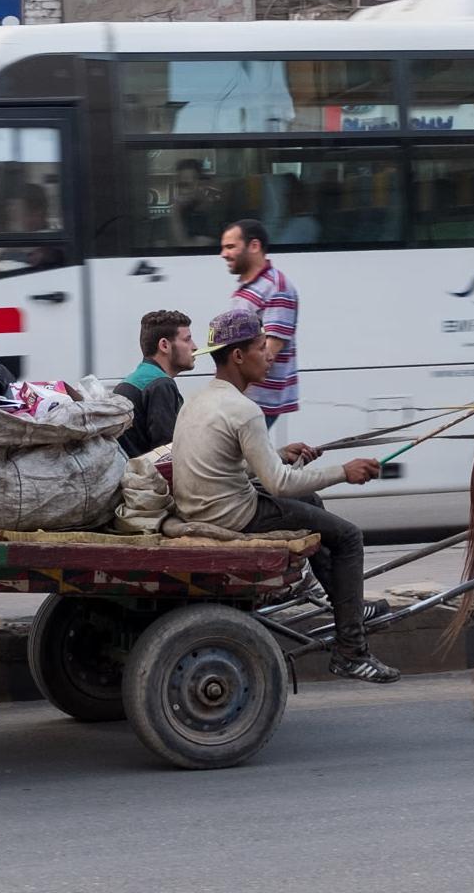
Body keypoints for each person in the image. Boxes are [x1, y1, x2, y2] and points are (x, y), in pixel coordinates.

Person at [170, 309, 398, 683]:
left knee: (311, 507)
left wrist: (277, 455)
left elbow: (227, 464)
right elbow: (278, 486)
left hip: (204, 508)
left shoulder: (198, 400)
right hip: (234, 516)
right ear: (238, 356)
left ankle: (348, 608)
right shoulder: (245, 410)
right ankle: (351, 651)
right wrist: (345, 472)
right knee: (349, 537)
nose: (270, 354)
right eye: (262, 347)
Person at [219, 218, 298, 428]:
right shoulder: (250, 286)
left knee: (243, 460)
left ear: (254, 246)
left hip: (257, 402)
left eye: (230, 247)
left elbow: (269, 352)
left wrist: (230, 391)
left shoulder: (276, 288)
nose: (224, 254)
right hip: (243, 399)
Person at [114, 310, 195, 457]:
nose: (194, 347)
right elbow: (167, 451)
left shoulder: (133, 379)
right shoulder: (161, 384)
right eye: (187, 339)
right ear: (164, 345)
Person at [167, 159, 220, 247]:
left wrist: (175, 212)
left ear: (201, 184)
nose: (184, 191)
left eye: (187, 185)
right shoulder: (184, 211)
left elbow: (185, 247)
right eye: (181, 185)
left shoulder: (215, 213)